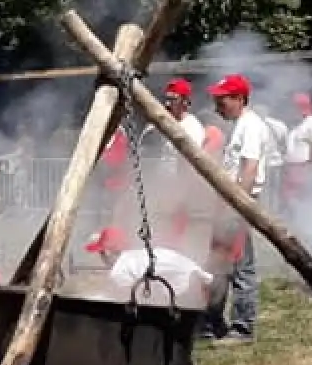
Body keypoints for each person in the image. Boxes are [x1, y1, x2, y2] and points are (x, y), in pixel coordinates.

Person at [205, 74, 271, 344]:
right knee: (218, 263)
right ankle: (212, 321)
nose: (217, 106)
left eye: (222, 100)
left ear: (239, 98)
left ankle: (242, 327)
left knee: (241, 267)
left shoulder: (251, 126)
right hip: (228, 202)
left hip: (237, 203)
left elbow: (250, 168)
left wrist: (238, 205)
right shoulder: (239, 125)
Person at [83, 227, 214, 304]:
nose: (101, 257)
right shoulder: (143, 255)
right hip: (193, 290)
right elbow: (205, 279)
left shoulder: (121, 269)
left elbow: (122, 300)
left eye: (101, 253)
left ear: (108, 251)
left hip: (179, 297)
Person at [283, 93, 312, 202]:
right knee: (290, 200)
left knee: (303, 200)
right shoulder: (295, 124)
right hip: (291, 168)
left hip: (305, 168)